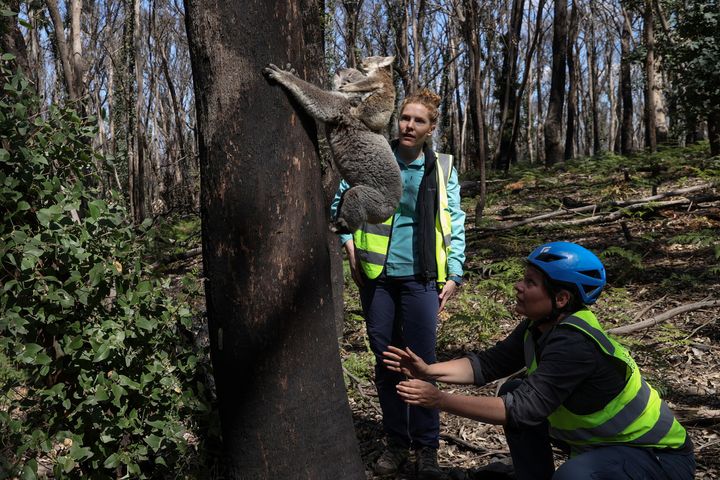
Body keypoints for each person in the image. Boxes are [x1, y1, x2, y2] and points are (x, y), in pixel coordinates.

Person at [383, 242, 695, 480]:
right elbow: (488, 365)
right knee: (514, 387)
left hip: (658, 458)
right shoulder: (540, 326)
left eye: (530, 283)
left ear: (561, 299)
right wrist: (428, 370)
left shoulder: (575, 344)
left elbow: (522, 409)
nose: (518, 287)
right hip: (603, 448)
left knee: (572, 476)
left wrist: (439, 400)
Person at [330, 89, 466, 479]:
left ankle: (427, 448)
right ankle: (396, 442)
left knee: (422, 365)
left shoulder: (441, 167)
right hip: (378, 278)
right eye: (405, 118)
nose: (408, 125)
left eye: (418, 121)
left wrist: (455, 272)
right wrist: (349, 245)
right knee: (387, 363)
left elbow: (454, 219)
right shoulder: (376, 156)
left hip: (422, 278)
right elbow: (344, 198)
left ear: (430, 128)